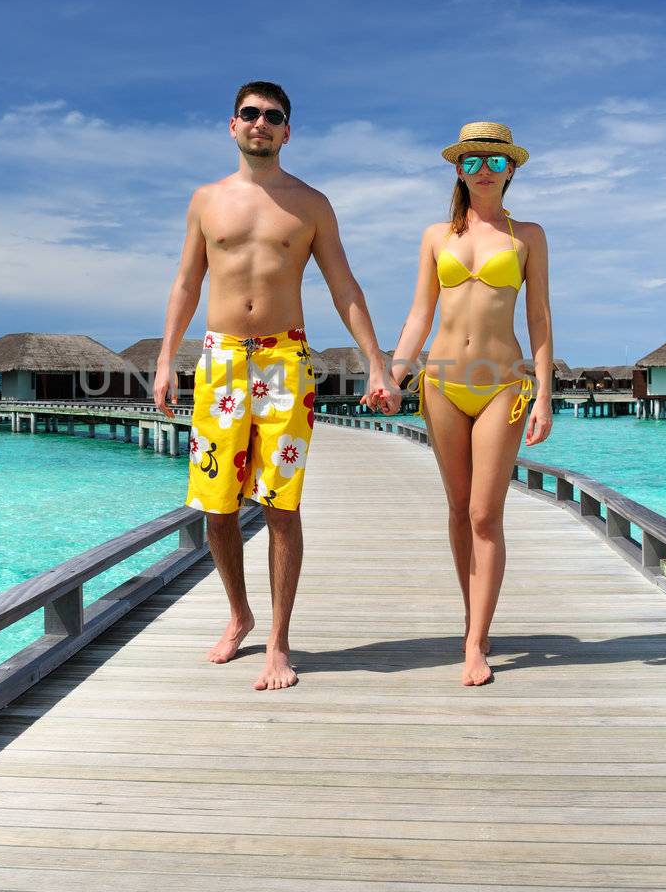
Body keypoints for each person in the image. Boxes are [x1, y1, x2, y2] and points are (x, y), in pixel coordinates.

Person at [155, 80, 398, 691]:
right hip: (219, 362)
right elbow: (186, 284)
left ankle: (279, 643)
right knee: (217, 506)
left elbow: (344, 285)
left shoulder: (311, 204)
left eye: (273, 116)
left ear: (288, 131)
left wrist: (377, 363)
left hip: (285, 361)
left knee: (281, 505)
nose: (260, 123)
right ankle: (239, 614)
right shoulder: (207, 200)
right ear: (232, 125)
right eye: (249, 113)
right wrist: (164, 361)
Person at [387, 122, 555, 686]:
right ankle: (472, 623)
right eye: (474, 161)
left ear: (512, 171)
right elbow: (419, 315)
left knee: (486, 514)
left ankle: (477, 641)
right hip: (441, 383)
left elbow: (539, 320)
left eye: (497, 162)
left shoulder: (528, 234)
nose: (485, 170)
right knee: (458, 511)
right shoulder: (437, 234)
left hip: (503, 383)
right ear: (459, 168)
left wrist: (545, 396)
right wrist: (393, 372)